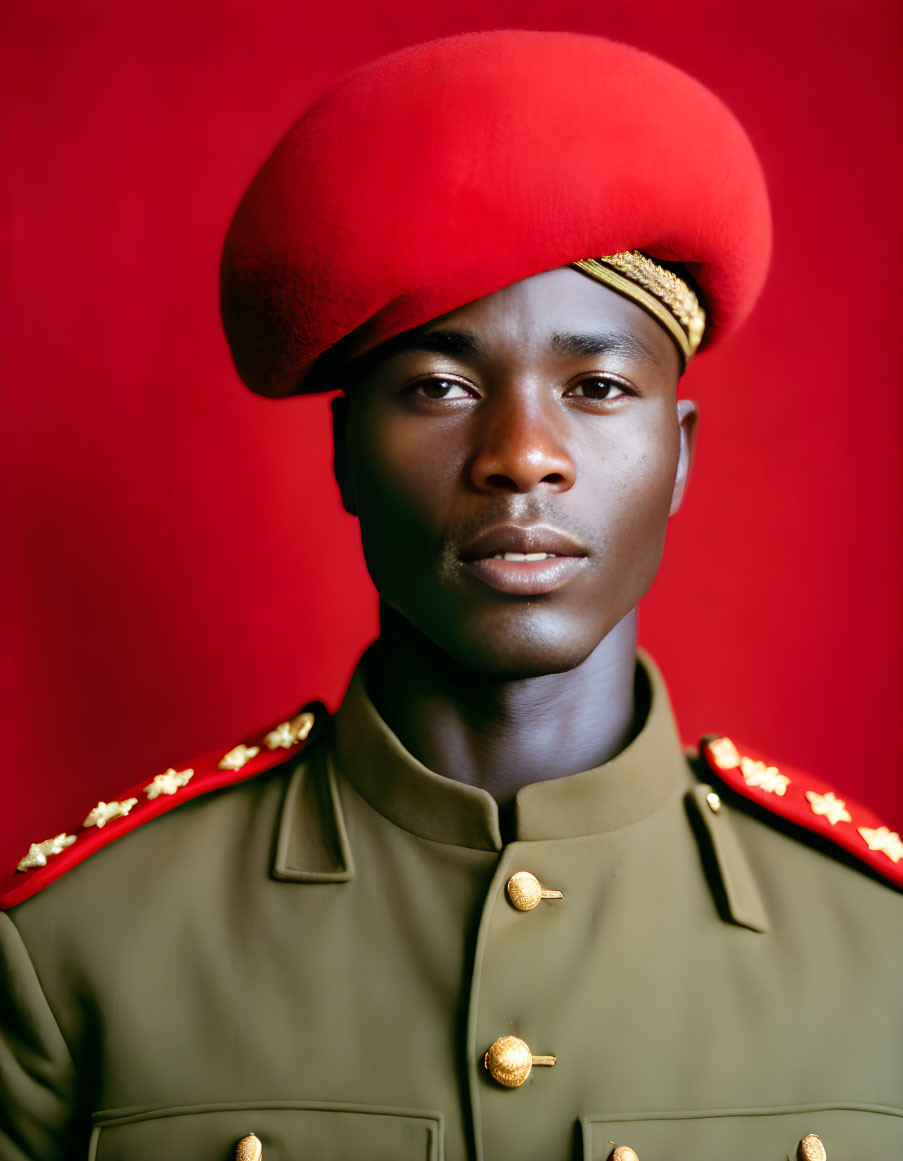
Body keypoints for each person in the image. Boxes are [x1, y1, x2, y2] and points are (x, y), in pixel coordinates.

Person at [1, 30, 901, 1161]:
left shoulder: (883, 954)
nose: (523, 454)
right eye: (438, 384)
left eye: (599, 385)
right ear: (343, 454)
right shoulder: (81, 953)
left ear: (680, 457)